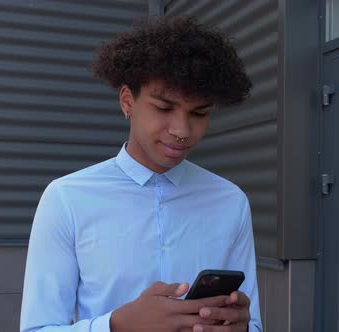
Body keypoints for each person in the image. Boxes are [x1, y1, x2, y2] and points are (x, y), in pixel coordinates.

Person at [20, 17, 262, 332]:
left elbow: (252, 323)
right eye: (163, 109)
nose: (181, 131)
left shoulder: (230, 201)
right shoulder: (67, 199)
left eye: (199, 113)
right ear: (127, 101)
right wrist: (117, 325)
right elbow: (37, 328)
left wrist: (241, 326)